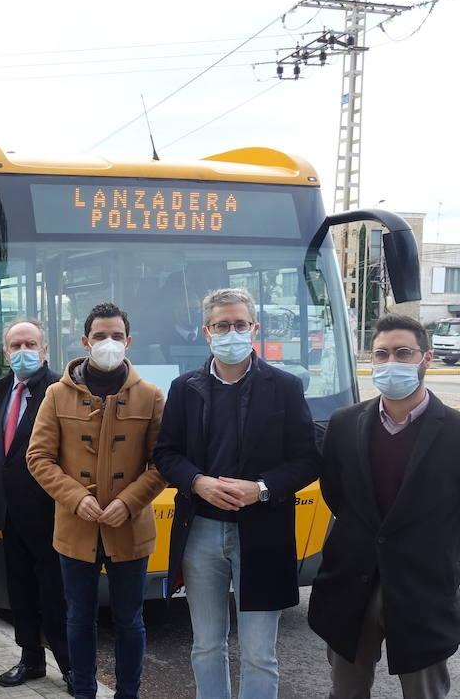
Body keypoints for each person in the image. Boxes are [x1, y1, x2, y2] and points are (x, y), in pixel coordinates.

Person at [153, 288, 319, 699]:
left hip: (262, 533)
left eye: (240, 324)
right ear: (206, 332)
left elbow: (306, 459)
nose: (232, 333)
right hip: (201, 532)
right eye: (222, 325)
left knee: (259, 653)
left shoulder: (284, 386)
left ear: (254, 328)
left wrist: (260, 489)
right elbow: (166, 453)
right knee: (206, 646)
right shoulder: (184, 388)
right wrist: (198, 482)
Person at [310, 314, 459, 699]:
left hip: (423, 588)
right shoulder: (344, 424)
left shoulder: (455, 431)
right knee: (346, 690)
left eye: (403, 353)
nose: (391, 362)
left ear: (426, 358)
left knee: (424, 692)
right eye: (381, 354)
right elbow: (336, 494)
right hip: (351, 582)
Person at [26, 302, 167, 699]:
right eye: (100, 336)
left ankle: (128, 694)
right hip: (76, 528)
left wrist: (129, 501)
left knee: (130, 621)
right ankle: (84, 691)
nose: (109, 343)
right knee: (78, 619)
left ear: (129, 341)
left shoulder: (151, 396)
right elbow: (38, 457)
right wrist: (75, 498)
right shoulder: (57, 394)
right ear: (85, 341)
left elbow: (163, 463)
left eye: (117, 336)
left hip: (130, 528)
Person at [0, 319, 72, 691]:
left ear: (45, 349)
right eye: (16, 345)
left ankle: (70, 666)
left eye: (30, 344)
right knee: (20, 590)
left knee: (55, 593)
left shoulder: (61, 389)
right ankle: (31, 659)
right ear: (6, 352)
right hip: (10, 512)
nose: (23, 351)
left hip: (49, 512)